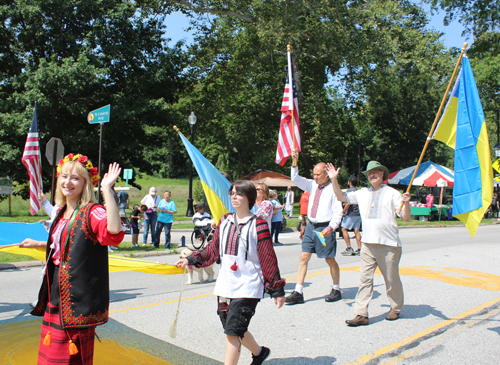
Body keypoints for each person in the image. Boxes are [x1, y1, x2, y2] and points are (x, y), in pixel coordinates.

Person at [20, 153, 125, 364]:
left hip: (77, 302)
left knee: (71, 360)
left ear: (86, 183)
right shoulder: (61, 212)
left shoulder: (91, 212)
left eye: (75, 178)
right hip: (56, 296)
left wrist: (106, 190)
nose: (68, 182)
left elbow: (114, 232)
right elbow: (68, 246)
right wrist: (40, 244)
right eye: (65, 176)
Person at [175, 180, 285, 365]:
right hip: (226, 285)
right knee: (232, 327)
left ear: (249, 198)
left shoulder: (259, 225)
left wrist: (276, 289)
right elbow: (212, 249)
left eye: (239, 193)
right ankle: (259, 353)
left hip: (248, 285)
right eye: (232, 193)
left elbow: (268, 257)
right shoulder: (224, 220)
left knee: (233, 332)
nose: (234, 196)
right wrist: (190, 259)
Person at [326, 160, 411, 327]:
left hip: (389, 244)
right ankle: (361, 313)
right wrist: (334, 179)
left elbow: (406, 217)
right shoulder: (362, 193)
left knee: (391, 279)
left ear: (382, 175)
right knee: (365, 279)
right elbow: (341, 196)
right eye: (369, 173)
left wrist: (406, 202)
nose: (372, 175)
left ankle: (395, 307)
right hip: (367, 244)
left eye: (376, 172)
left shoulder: (393, 193)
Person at [286, 149, 343, 305]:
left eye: (318, 174)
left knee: (329, 259)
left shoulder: (333, 189)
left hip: (324, 229)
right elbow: (295, 178)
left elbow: (338, 212)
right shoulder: (311, 185)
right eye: (314, 174)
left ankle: (336, 289)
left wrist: (332, 227)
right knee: (304, 256)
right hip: (311, 227)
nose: (315, 177)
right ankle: (298, 291)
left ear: (326, 174)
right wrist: (295, 161)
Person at [340, 176, 362, 256]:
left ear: (350, 182)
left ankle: (349, 247)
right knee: (356, 230)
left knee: (344, 229)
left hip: (351, 213)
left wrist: (343, 211)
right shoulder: (358, 191)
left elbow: (348, 203)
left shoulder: (349, 192)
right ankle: (360, 248)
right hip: (358, 214)